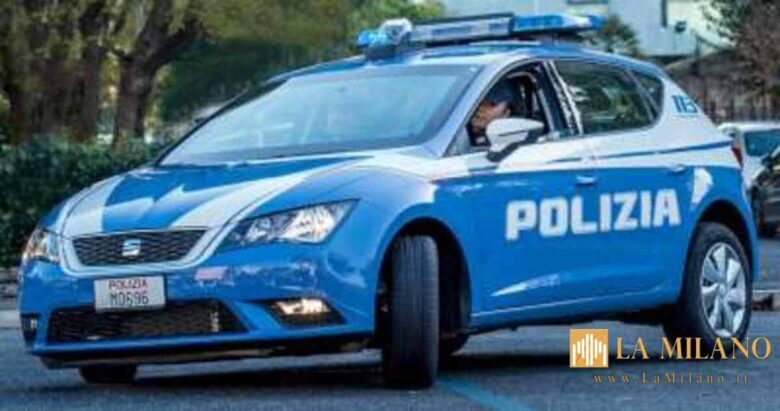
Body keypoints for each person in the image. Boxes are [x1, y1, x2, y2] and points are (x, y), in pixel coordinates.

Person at [469, 80, 519, 146]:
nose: (481, 108)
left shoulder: (508, 141)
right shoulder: (458, 126)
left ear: (506, 113)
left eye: (491, 104)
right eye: (479, 102)